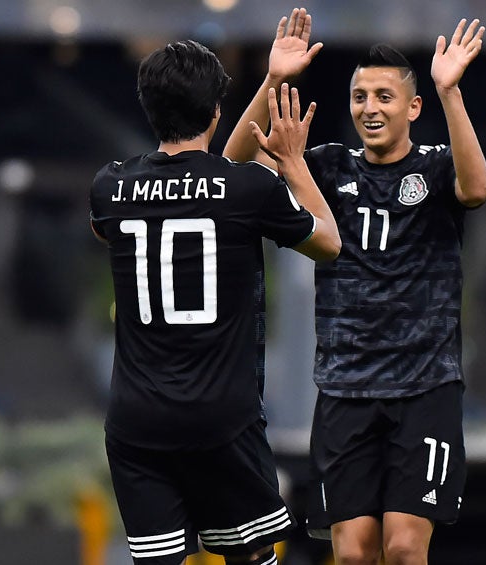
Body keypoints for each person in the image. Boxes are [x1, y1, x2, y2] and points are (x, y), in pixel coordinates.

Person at [224, 9, 486, 564]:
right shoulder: (323, 165)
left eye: (385, 97)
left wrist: (451, 92)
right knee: (351, 554)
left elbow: (478, 188)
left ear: (412, 108)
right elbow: (231, 165)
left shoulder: (437, 168)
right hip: (345, 389)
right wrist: (274, 80)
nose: (370, 108)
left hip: (425, 389)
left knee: (402, 546)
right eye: (361, 96)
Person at [89, 39, 340, 565]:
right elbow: (328, 244)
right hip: (222, 419)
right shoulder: (247, 189)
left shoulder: (110, 187)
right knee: (250, 558)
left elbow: (201, 181)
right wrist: (292, 162)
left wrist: (271, 83)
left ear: (147, 105)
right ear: (216, 111)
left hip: (137, 422)